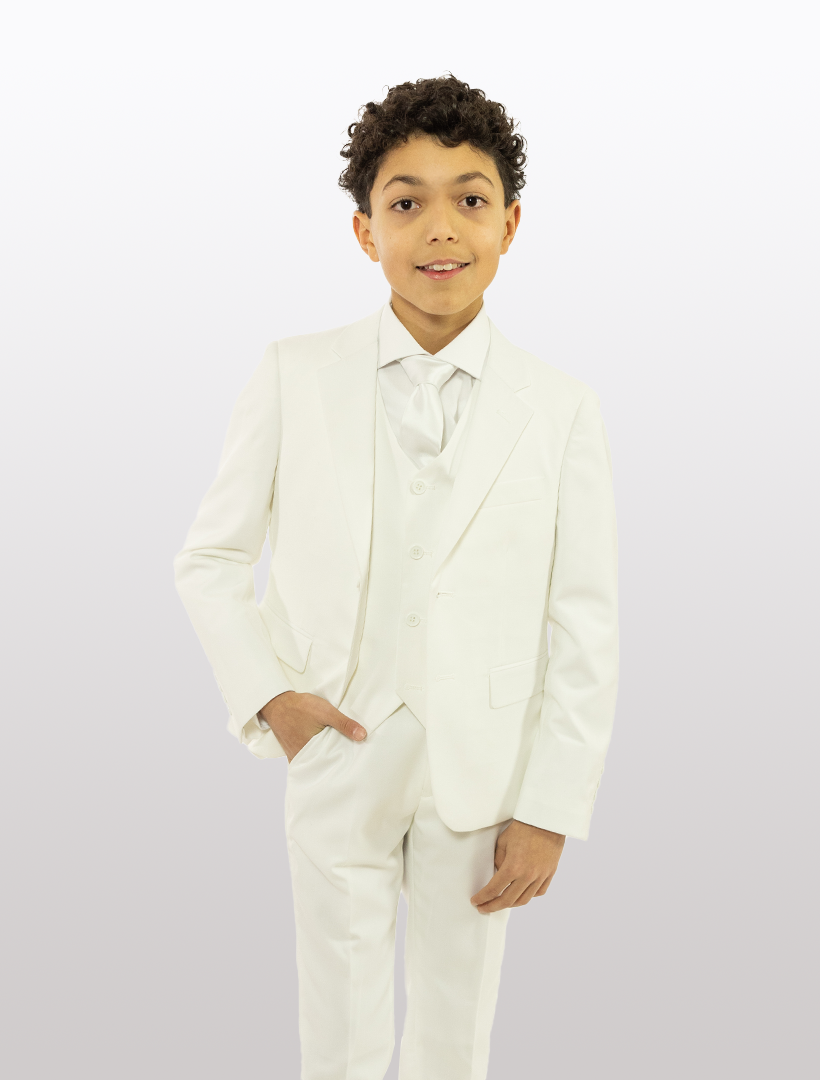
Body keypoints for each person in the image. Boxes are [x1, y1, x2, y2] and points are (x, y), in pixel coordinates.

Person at [174, 74, 618, 1080]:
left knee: (457, 1031)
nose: (439, 228)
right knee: (336, 1025)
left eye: (469, 198)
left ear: (510, 223)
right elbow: (209, 556)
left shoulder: (559, 408)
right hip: (338, 748)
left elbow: (583, 621)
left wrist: (551, 802)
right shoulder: (296, 373)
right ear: (365, 231)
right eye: (404, 200)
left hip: (485, 772)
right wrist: (271, 695)